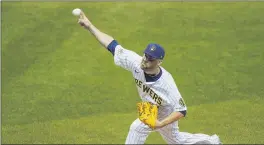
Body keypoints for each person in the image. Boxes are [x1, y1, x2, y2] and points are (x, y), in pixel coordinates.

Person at [76, 10, 222, 144]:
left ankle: (212, 141)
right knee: (174, 140)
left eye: (150, 58)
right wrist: (90, 26)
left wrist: (161, 123)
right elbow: (112, 45)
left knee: (144, 130)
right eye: (145, 55)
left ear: (159, 62)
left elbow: (182, 110)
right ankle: (212, 142)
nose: (145, 59)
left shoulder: (166, 83)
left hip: (167, 110)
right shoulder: (136, 62)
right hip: (152, 107)